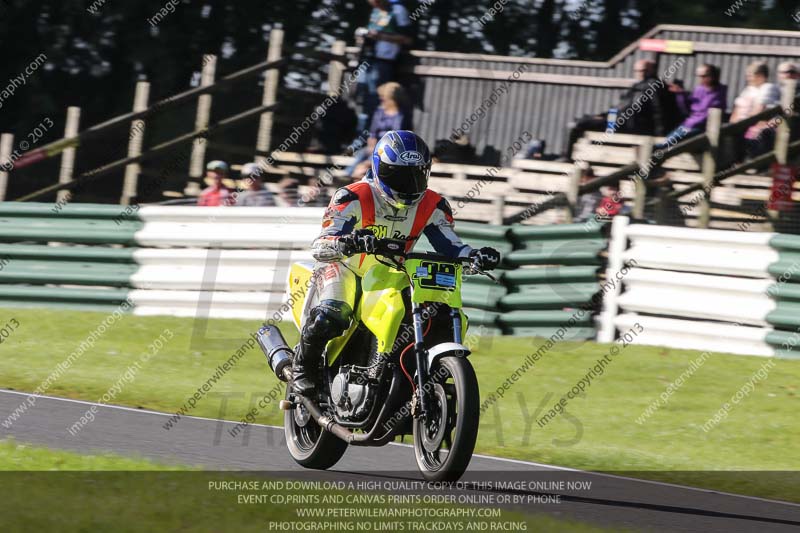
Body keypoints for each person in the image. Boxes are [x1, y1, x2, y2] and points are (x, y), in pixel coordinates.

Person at [290, 130, 501, 395]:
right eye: (399, 175)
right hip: (346, 268)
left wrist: (473, 255)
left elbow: (450, 245)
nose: (408, 183)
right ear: (380, 168)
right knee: (333, 313)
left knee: (427, 314)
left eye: (416, 175)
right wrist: (346, 242)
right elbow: (322, 244)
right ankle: (302, 370)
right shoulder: (352, 196)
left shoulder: (433, 204)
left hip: (391, 272)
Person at [563, 59, 680, 159]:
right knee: (580, 121)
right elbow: (619, 107)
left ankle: (566, 157)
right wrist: (604, 115)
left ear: (652, 70)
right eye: (638, 71)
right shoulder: (637, 86)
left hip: (626, 126)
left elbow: (658, 112)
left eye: (644, 70)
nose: (640, 73)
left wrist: (659, 135)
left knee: (580, 124)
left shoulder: (654, 87)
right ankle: (572, 158)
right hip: (614, 121)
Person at [356, 0, 413, 127]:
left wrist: (380, 36)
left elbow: (407, 39)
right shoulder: (376, 11)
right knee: (363, 99)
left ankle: (373, 136)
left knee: (377, 99)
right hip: (368, 59)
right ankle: (362, 136)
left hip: (384, 62)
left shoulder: (398, 10)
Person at [348, 82, 413, 178]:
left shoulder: (402, 115)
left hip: (392, 146)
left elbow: (397, 135)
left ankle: (360, 175)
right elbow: (373, 132)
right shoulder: (379, 112)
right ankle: (348, 174)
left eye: (384, 97)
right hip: (376, 144)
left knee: (374, 157)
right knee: (362, 153)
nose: (381, 99)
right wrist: (371, 145)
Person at [655, 64, 727, 150]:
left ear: (712, 76)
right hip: (689, 124)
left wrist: (691, 124)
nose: (700, 79)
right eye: (699, 76)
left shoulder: (719, 93)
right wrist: (680, 94)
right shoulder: (699, 89)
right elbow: (688, 108)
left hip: (701, 127)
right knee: (666, 142)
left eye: (703, 76)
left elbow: (706, 113)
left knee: (668, 144)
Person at [731, 61, 781, 158]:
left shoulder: (768, 88)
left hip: (757, 123)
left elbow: (759, 110)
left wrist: (743, 123)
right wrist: (733, 123)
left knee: (750, 134)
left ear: (761, 76)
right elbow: (737, 108)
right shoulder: (748, 89)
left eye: (750, 75)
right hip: (741, 123)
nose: (748, 78)